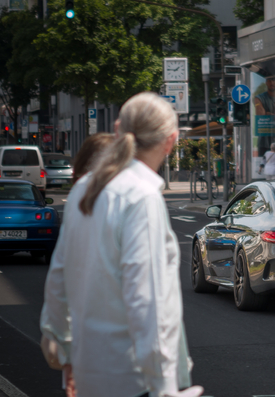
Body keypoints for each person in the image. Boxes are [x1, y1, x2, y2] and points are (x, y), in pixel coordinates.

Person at [40, 92, 203, 397]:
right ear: (171, 140)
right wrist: (164, 387)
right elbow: (148, 300)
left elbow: (58, 276)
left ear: (117, 129)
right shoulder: (141, 197)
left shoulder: (84, 189)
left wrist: (64, 352)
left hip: (90, 372)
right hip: (134, 380)